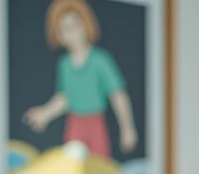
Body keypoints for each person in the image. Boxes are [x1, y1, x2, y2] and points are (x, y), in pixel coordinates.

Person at [23, 0, 138, 160]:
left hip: (96, 123)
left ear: (86, 24)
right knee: (72, 164)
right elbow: (64, 98)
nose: (71, 32)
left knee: (99, 165)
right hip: (74, 125)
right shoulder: (64, 64)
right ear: (58, 35)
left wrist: (127, 128)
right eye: (64, 29)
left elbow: (117, 94)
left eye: (74, 25)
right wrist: (45, 113)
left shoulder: (101, 60)